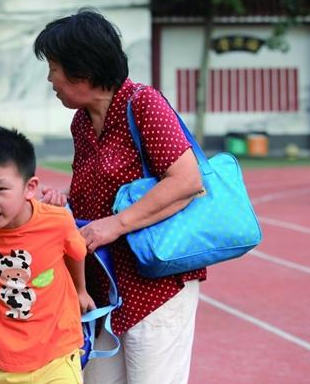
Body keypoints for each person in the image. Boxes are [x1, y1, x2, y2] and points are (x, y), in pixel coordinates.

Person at [34, 8, 206, 384]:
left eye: (55, 67)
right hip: (103, 289)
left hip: (155, 285)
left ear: (83, 70)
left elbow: (187, 180)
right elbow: (94, 192)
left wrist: (116, 225)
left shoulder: (143, 104)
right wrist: (59, 201)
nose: (50, 78)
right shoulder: (81, 121)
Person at [0, 126, 94, 384]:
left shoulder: (57, 221)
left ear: (30, 188)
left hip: (56, 355)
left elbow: (77, 252)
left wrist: (81, 291)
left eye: (1, 189)